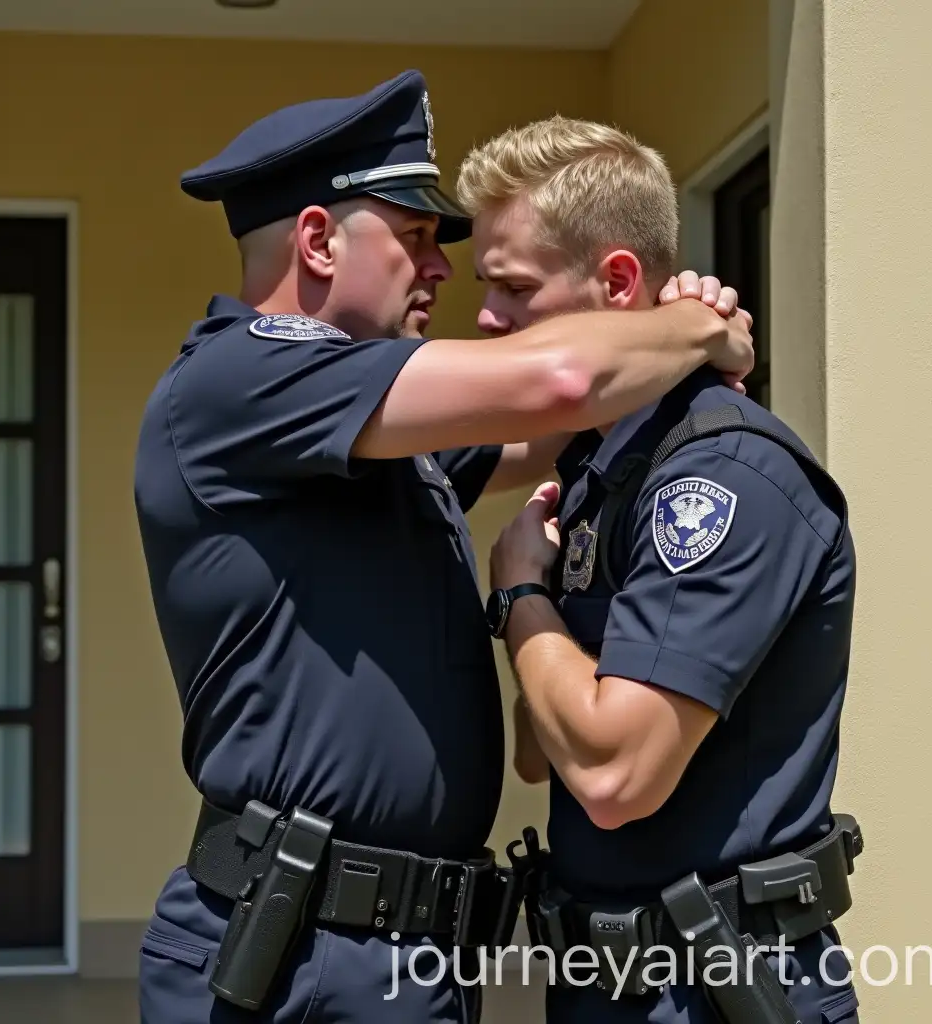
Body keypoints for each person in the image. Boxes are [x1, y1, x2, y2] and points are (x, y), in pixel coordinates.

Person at [133, 72, 753, 1024]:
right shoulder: (244, 376)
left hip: (402, 953)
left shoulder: (368, 420)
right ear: (318, 241)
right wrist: (697, 324)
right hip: (295, 960)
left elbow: (554, 422)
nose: (442, 270)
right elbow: (558, 385)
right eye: (416, 237)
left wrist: (655, 335)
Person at [457, 117, 864, 1024]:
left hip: (718, 989)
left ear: (617, 282)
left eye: (514, 287)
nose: (487, 315)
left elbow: (613, 777)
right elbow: (542, 751)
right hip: (609, 982)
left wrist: (520, 595)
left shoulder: (717, 474)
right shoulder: (602, 469)